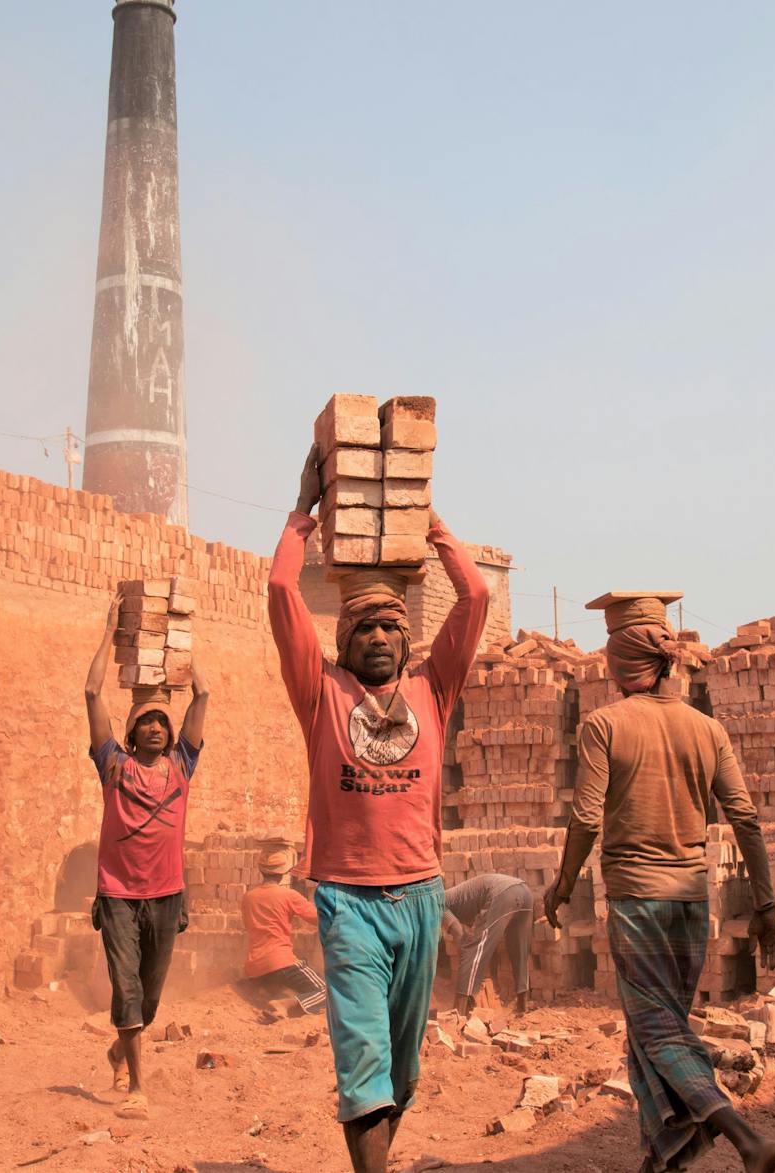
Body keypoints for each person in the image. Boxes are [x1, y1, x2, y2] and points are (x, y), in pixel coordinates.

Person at [268, 444, 490, 1173]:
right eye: (364, 627)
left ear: (407, 637)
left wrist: (426, 520)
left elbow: (476, 599)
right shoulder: (322, 693)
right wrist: (302, 512)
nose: (380, 637)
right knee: (363, 1058)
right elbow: (280, 594)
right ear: (344, 641)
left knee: (402, 1071)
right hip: (347, 899)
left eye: (391, 626)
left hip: (422, 895)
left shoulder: (435, 689)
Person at [543, 595, 775, 1173]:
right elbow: (745, 819)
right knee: (662, 1026)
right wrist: (766, 905)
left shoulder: (604, 726)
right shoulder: (707, 728)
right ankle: (663, 1158)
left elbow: (586, 817)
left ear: (618, 664)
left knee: (655, 1028)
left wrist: (563, 883)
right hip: (691, 900)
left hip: (638, 899)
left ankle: (745, 1139)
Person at [83, 599, 210, 1121]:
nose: (155, 727)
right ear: (131, 732)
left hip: (166, 896)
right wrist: (110, 630)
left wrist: (178, 651)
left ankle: (120, 1048)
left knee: (150, 1001)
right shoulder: (112, 766)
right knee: (127, 989)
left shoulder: (182, 766)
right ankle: (138, 1085)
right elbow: (92, 692)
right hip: (117, 896)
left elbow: (202, 693)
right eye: (146, 722)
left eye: (162, 721)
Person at [238, 838, 326, 1016]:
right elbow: (320, 919)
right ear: (284, 873)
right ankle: (286, 1005)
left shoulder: (248, 897)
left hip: (254, 968)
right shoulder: (289, 895)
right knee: (327, 992)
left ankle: (276, 998)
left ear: (262, 871)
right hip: (281, 962)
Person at [441, 873, 535, 1017]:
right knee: (519, 949)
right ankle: (523, 1005)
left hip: (503, 894)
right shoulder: (461, 900)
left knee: (471, 949)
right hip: (524, 891)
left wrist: (465, 951)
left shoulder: (437, 903)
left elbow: (460, 936)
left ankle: (458, 1012)